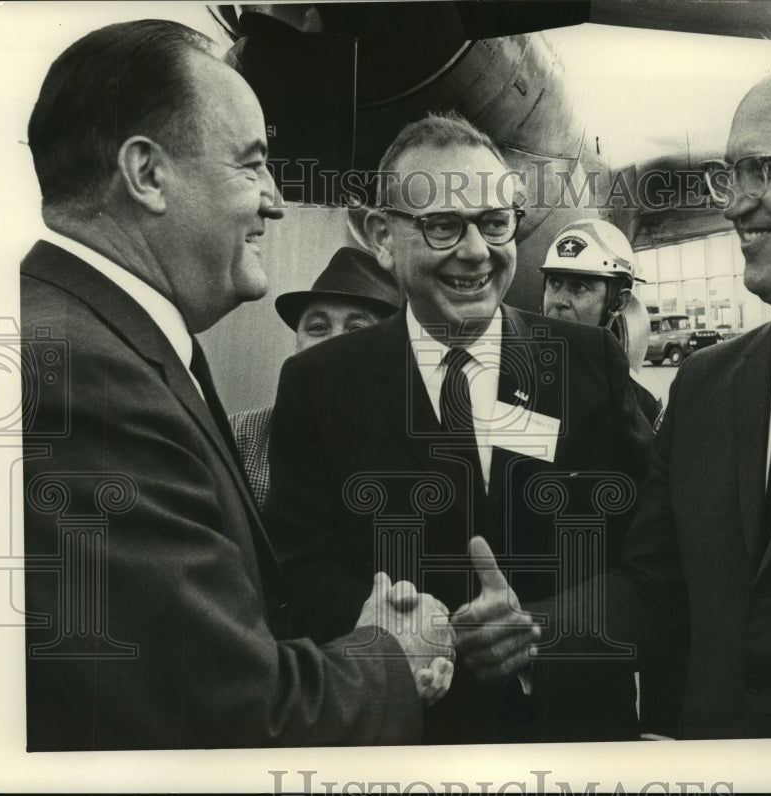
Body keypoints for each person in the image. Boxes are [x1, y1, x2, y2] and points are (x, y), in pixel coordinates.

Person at [20, 20, 452, 752]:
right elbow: (226, 714)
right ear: (147, 175)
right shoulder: (84, 380)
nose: (276, 200)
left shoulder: (86, 341)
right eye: (251, 165)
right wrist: (395, 653)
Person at [472, 53, 771, 738]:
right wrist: (530, 629)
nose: (731, 202)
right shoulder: (706, 386)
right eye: (730, 173)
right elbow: (656, 590)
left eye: (762, 170)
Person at [265, 111, 654, 744]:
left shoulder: (589, 365)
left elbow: (649, 558)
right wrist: (386, 633)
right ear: (380, 235)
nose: (477, 252)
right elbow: (297, 571)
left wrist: (535, 631)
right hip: (405, 741)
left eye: (495, 223)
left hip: (571, 737)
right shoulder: (319, 385)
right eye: (444, 225)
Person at [230, 246, 400, 508]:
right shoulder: (238, 437)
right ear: (296, 343)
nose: (333, 345)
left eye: (356, 329)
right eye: (318, 327)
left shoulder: (416, 450)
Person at [540, 218, 663, 425]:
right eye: (554, 283)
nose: (559, 301)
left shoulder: (641, 409)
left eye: (578, 287)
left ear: (618, 302)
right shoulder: (511, 379)